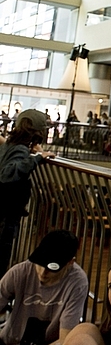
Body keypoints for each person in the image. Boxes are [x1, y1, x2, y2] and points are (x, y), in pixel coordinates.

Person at [0, 230, 87, 345]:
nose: (42, 272)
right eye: (39, 263)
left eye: (51, 268)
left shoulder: (77, 283)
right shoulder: (20, 272)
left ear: (70, 262)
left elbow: (65, 340)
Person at [0, 110, 56, 277]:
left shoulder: (7, 146)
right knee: (2, 255)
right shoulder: (21, 150)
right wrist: (38, 157)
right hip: (6, 213)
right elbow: (7, 173)